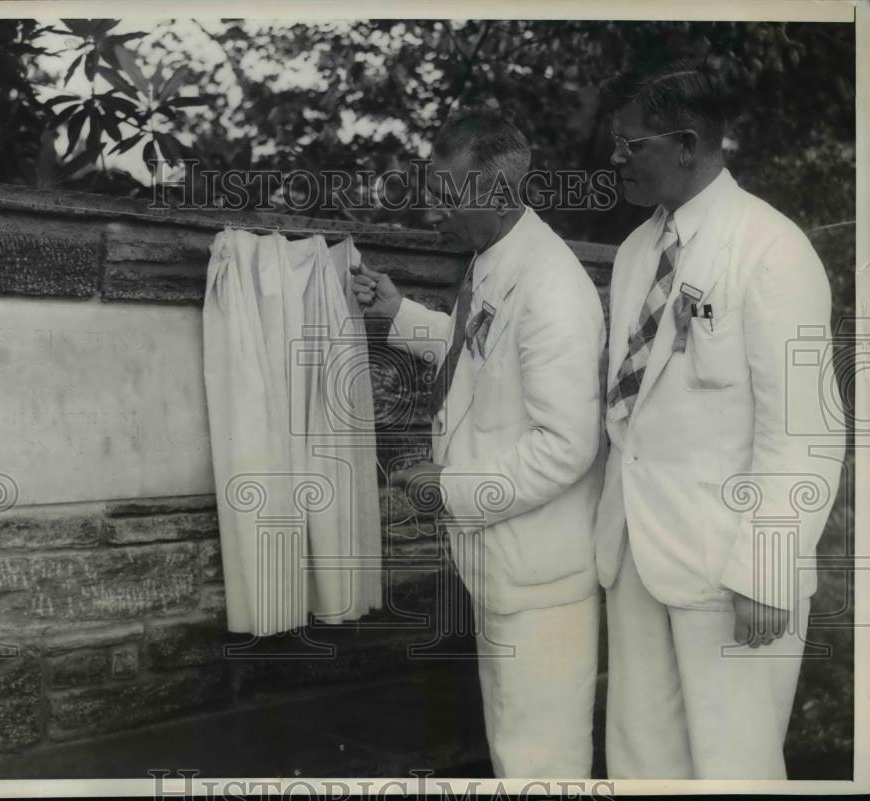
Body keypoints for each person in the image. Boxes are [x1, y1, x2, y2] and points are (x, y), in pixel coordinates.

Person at [595, 57, 843, 779]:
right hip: (636, 549)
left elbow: (804, 428)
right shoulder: (638, 251)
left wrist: (766, 567)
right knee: (643, 762)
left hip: (731, 564)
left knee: (736, 764)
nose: (616, 160)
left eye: (631, 144)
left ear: (688, 145)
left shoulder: (771, 249)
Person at [353, 109, 606, 778]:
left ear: (495, 193)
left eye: (445, 194)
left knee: (540, 765)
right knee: (515, 754)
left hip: (540, 585)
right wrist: (397, 314)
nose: (430, 209)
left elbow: (567, 445)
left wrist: (450, 484)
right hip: (507, 570)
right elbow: (482, 357)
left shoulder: (552, 289)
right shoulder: (499, 259)